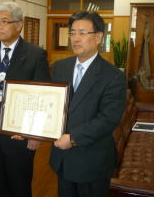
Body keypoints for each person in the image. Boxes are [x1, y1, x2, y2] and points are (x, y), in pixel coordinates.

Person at [0, 1, 50, 197]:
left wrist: (35, 134)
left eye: (5, 22)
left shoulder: (35, 55)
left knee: (19, 185)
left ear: (19, 24)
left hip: (20, 135)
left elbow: (42, 96)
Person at [49, 11, 126, 197]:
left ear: (99, 37)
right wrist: (29, 128)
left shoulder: (113, 76)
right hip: (62, 159)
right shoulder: (60, 67)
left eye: (82, 33)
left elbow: (108, 119)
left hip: (92, 161)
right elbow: (51, 103)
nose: (75, 39)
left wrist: (73, 138)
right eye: (72, 33)